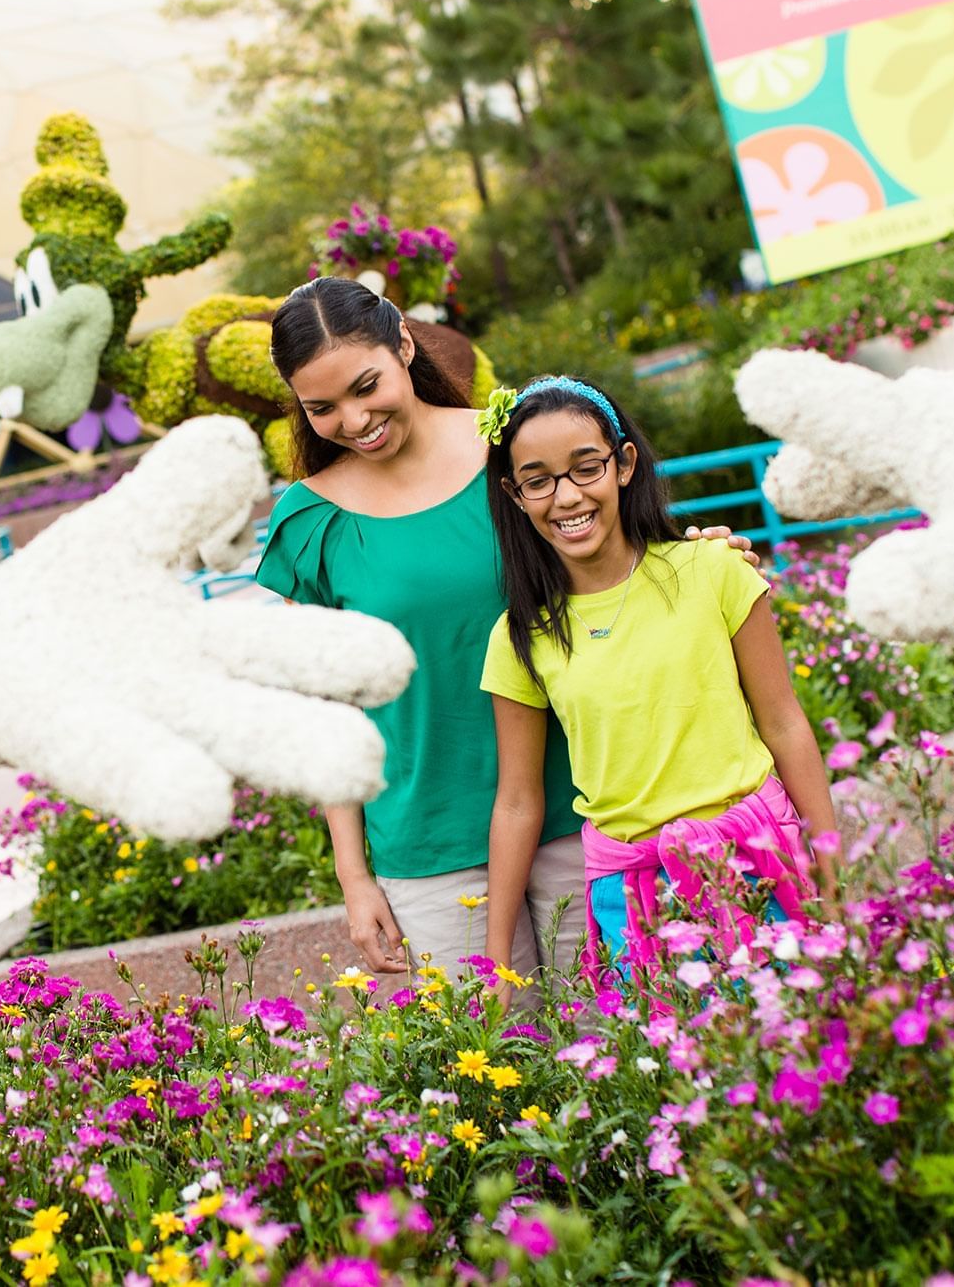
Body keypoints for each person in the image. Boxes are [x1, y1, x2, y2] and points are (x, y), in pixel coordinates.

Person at [255, 278, 753, 982]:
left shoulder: (509, 447)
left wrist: (700, 553)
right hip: (429, 841)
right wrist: (352, 875)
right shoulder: (311, 522)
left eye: (366, 386)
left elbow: (619, 547)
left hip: (586, 808)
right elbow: (325, 711)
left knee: (622, 1046)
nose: (354, 417)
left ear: (403, 344)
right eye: (322, 407)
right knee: (491, 1068)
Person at [478, 377, 836, 986]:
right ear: (516, 495)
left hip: (759, 861)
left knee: (801, 1051)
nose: (566, 497)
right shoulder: (520, 636)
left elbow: (784, 722)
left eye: (585, 467)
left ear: (623, 464)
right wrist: (495, 962)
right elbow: (517, 800)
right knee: (677, 1073)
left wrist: (832, 872)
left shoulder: (713, 569)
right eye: (538, 480)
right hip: (633, 892)